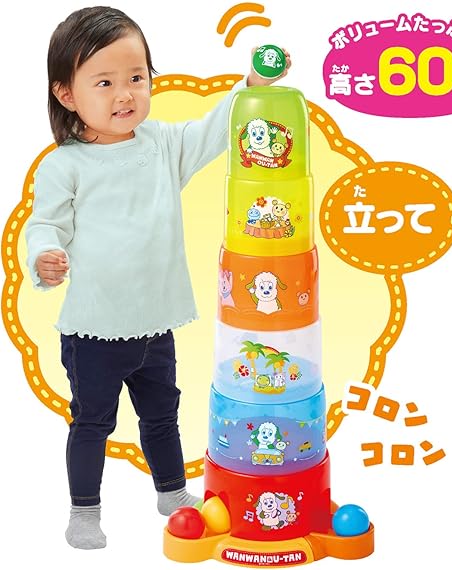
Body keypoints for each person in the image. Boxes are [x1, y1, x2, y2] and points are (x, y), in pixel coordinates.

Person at [25, 6, 291, 550]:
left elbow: (214, 131)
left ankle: (171, 492)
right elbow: (45, 225)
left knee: (162, 415)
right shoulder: (64, 165)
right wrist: (46, 256)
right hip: (95, 330)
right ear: (67, 94)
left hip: (154, 324)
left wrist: (251, 85)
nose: (125, 95)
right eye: (105, 82)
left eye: (137, 78)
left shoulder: (163, 144)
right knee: (92, 423)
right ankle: (84, 511)